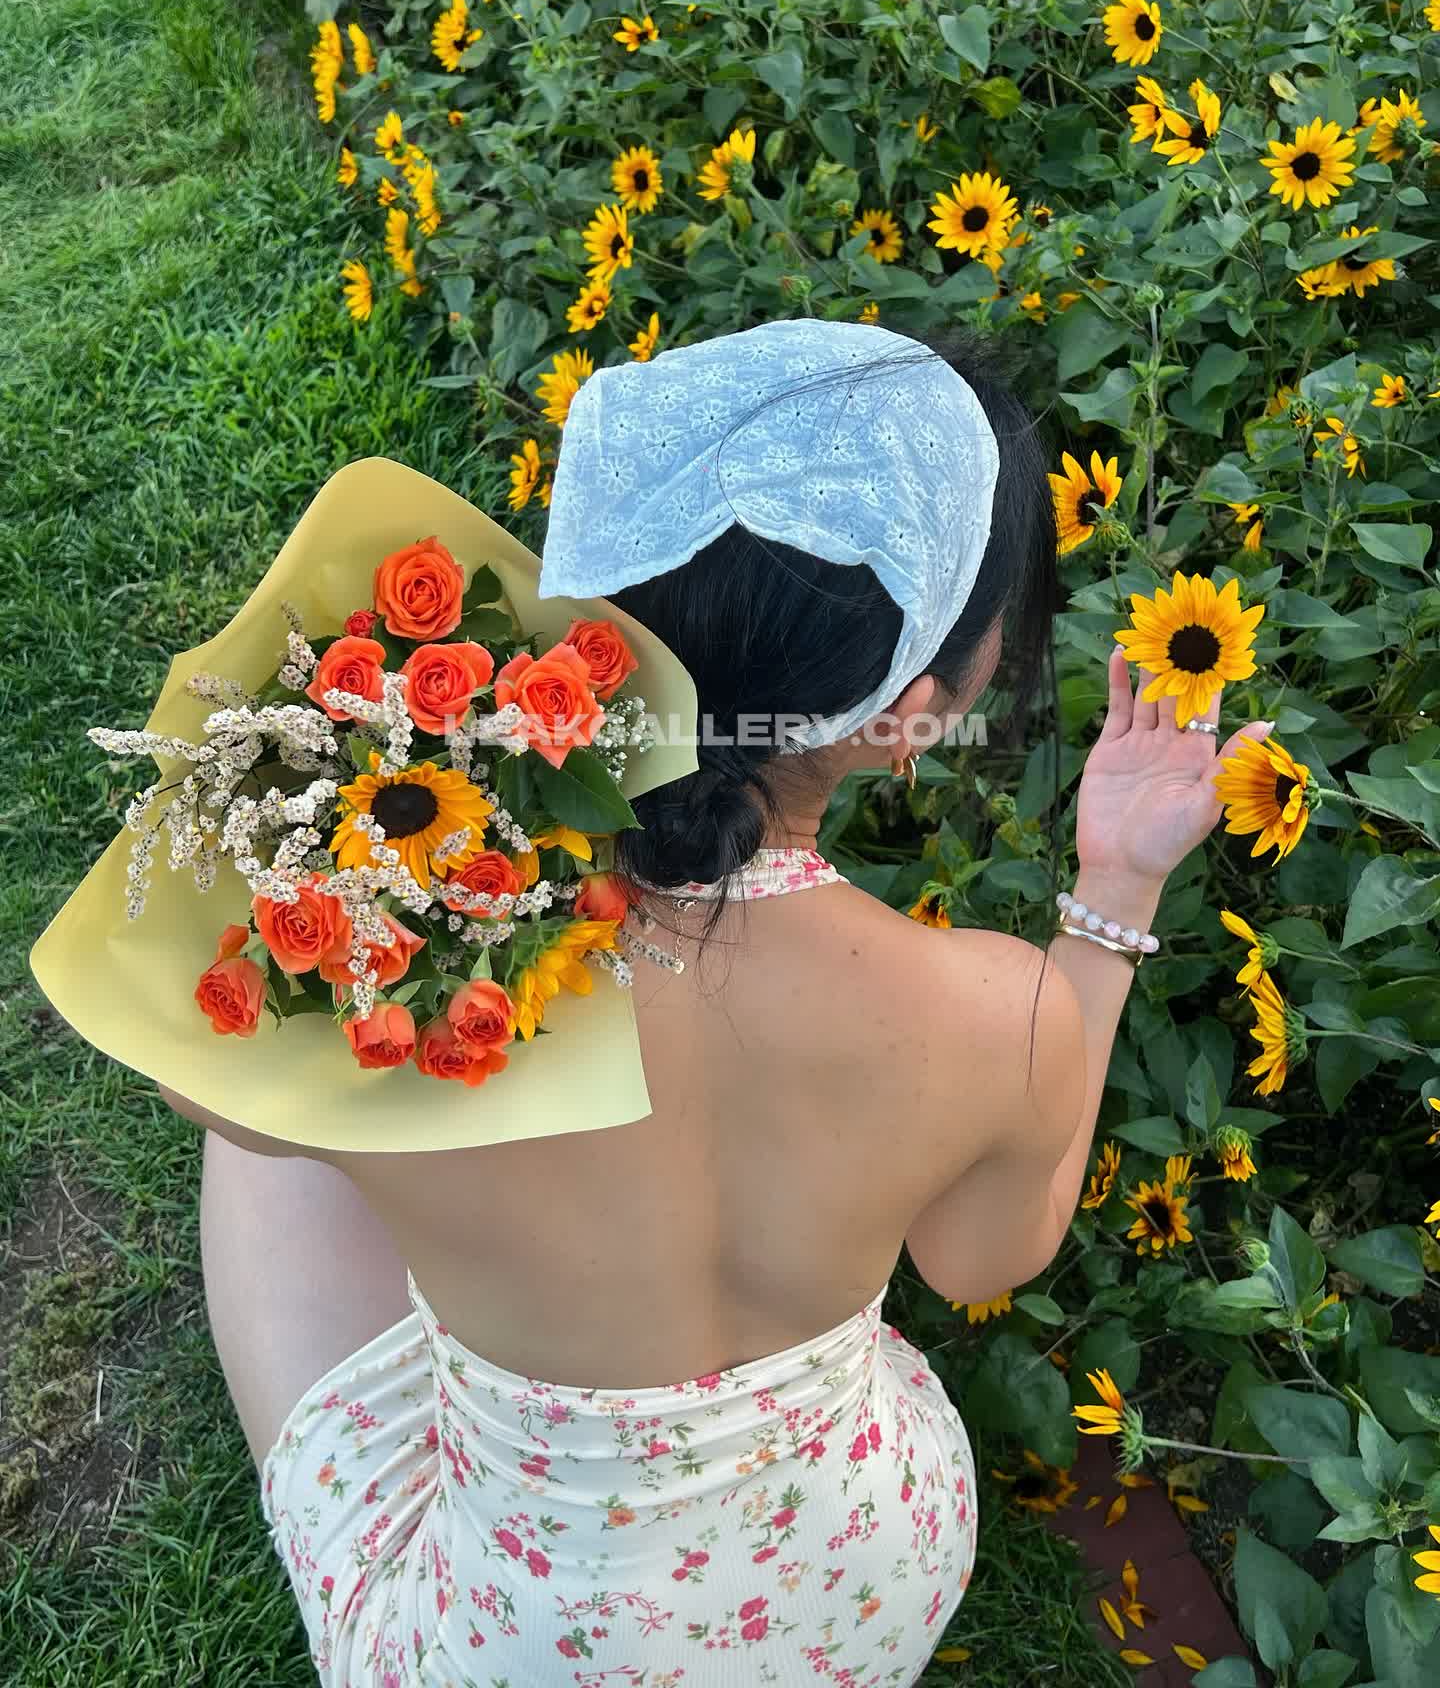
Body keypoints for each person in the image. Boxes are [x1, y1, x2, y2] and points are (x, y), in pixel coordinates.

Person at [169, 319, 1273, 1686]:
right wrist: (1116, 888)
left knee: (262, 1117)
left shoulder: (426, 949)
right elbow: (979, 1260)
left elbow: (208, 1091)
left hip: (520, 1647)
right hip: (861, 1581)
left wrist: (328, 871)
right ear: (916, 710)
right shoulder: (1003, 1011)